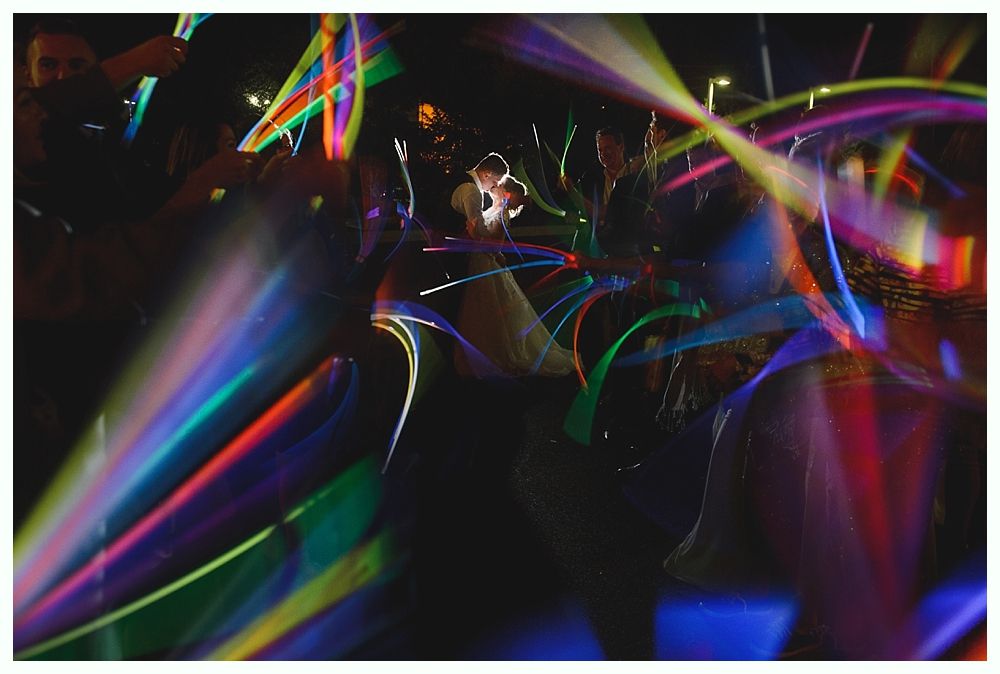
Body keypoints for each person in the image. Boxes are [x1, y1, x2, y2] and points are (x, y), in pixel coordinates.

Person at [455, 175, 575, 378]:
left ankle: (498, 356)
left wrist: (476, 236)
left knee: (491, 311)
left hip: (487, 266)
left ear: (506, 193)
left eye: (499, 186)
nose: (495, 186)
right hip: (481, 265)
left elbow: (496, 246)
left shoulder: (502, 214)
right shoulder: (493, 209)